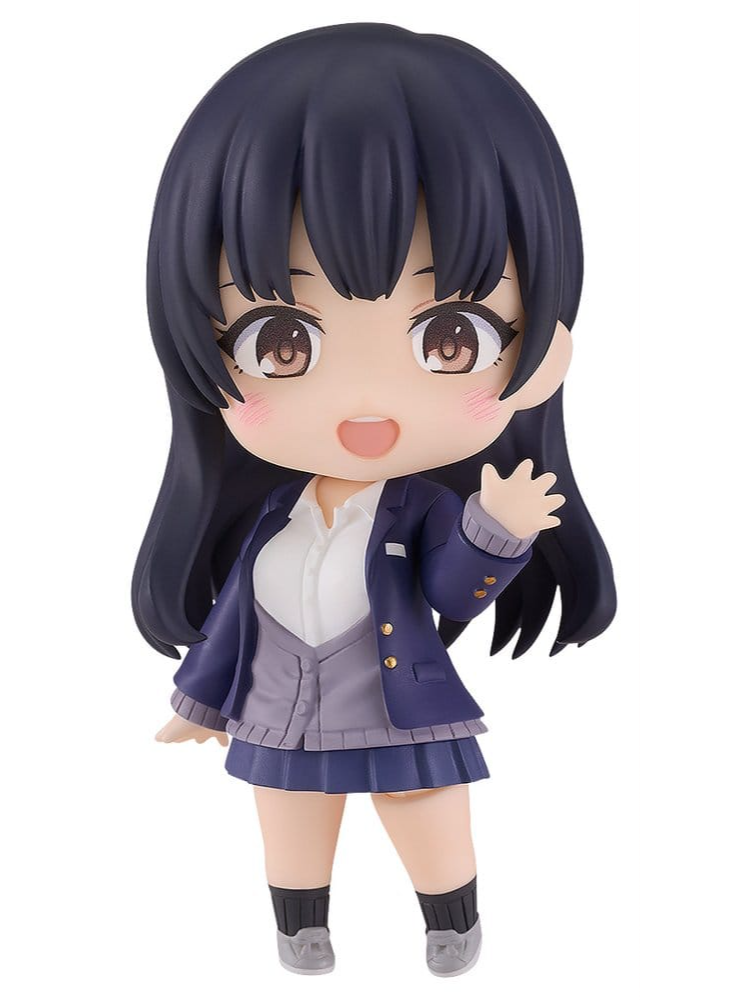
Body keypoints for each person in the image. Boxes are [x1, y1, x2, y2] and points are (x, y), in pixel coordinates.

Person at [133, 23, 616, 978]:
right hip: (281, 706)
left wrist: (495, 531)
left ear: (543, 354)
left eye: (451, 339)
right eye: (280, 342)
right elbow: (234, 623)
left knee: (416, 799)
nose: (365, 405)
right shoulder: (271, 520)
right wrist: (200, 700)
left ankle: (450, 917)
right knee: (288, 807)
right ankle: (299, 924)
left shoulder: (417, 511)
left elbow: (449, 590)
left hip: (395, 702)